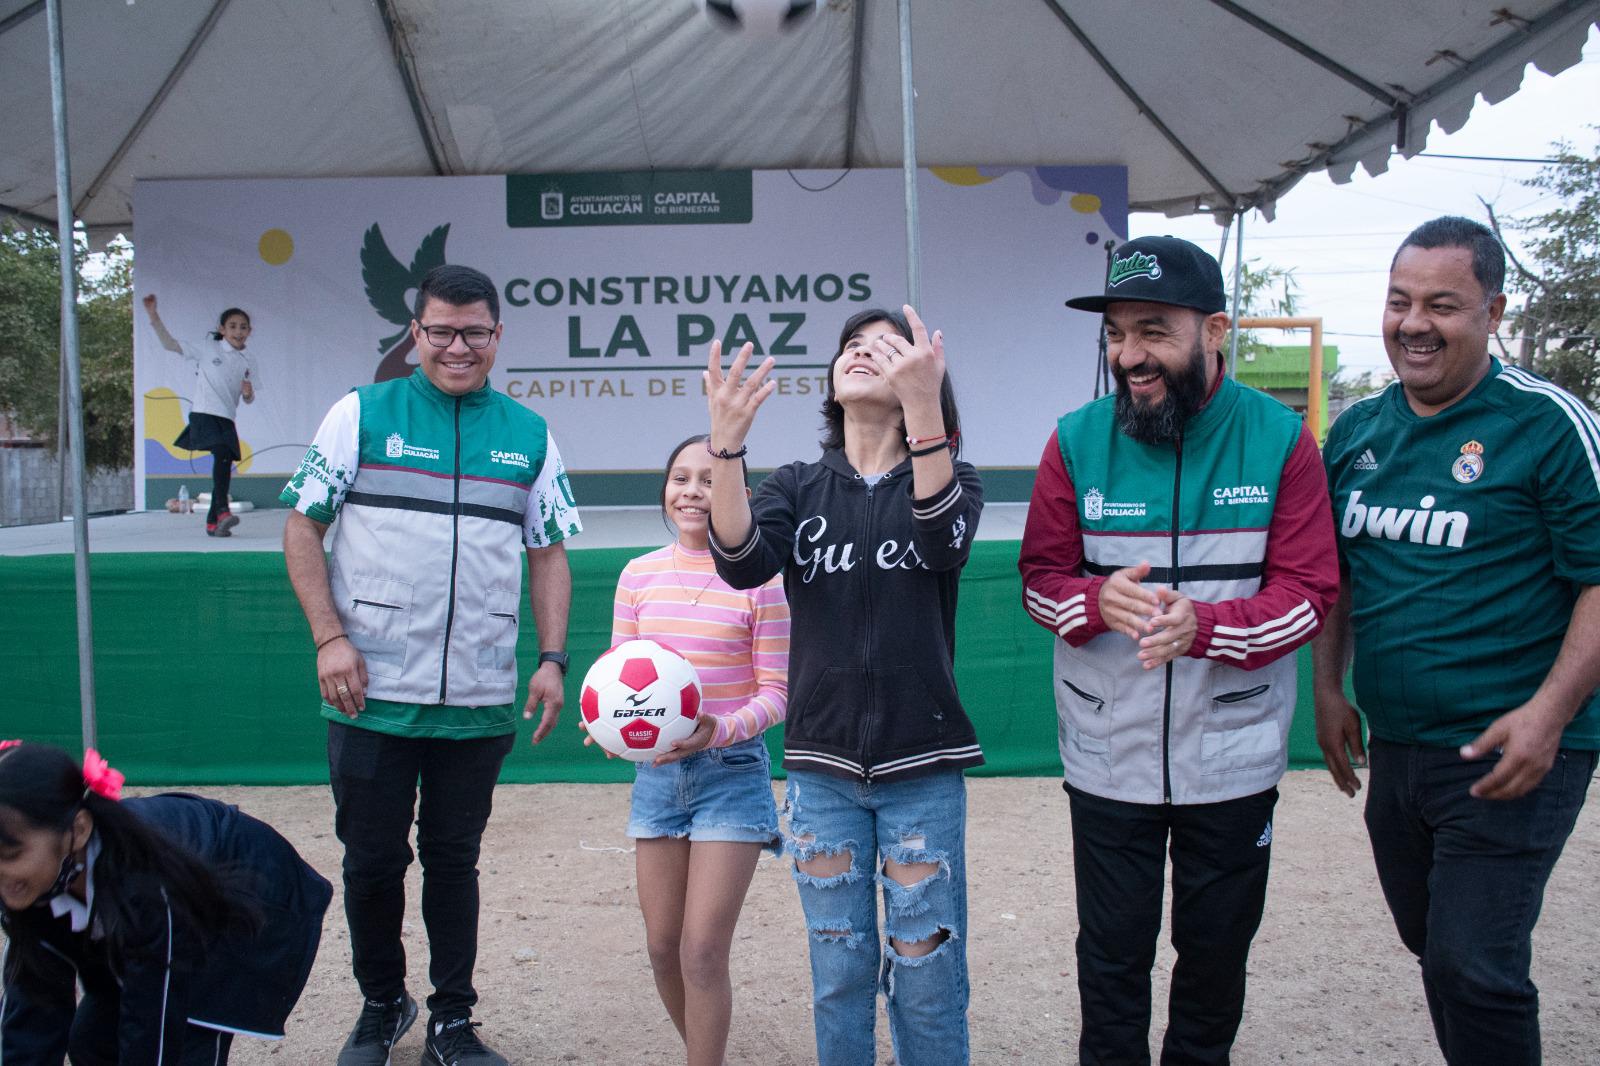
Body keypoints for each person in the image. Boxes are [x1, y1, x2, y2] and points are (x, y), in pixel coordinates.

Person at [1018, 235, 1339, 1065]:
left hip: (1232, 756)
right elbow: (1037, 583)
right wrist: (1094, 600)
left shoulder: (1281, 441)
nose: (1130, 355)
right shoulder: (1074, 439)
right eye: (1117, 333)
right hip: (1107, 754)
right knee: (1111, 958)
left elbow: (1309, 597)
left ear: (1216, 330)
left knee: (1215, 959)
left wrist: (1208, 627)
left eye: (1153, 331)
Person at [1313, 216, 1600, 1066]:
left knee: (1475, 963)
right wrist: (1329, 690)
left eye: (1443, 304)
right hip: (1401, 746)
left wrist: (1548, 714)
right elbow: (1340, 574)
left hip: (1513, 746)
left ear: (1494, 311)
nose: (1413, 323)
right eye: (1400, 301)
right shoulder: (1359, 432)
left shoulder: (1549, 424)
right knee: (1433, 942)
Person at [281, 263, 581, 1066]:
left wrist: (552, 659)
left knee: (455, 861)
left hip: (478, 697)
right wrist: (328, 638)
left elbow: (548, 555)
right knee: (372, 860)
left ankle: (453, 1019)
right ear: (415, 334)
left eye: (474, 332)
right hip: (369, 691)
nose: (457, 346)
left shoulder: (528, 434)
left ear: (497, 336)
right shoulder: (360, 413)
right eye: (441, 331)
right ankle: (384, 1005)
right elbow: (302, 530)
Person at [706, 305, 984, 1066]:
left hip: (921, 768)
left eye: (888, 349)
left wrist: (924, 407)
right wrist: (725, 445)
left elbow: (941, 537)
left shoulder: (952, 478)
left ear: (920, 378)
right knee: (840, 973)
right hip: (821, 772)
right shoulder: (797, 484)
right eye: (853, 346)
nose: (864, 354)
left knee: (927, 975)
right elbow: (740, 563)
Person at [599, 433, 789, 1066]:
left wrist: (719, 731)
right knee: (661, 945)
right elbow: (616, 673)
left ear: (736, 493)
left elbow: (778, 693)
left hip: (731, 773)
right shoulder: (638, 575)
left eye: (710, 480)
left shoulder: (763, 581)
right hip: (656, 776)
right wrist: (609, 726)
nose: (693, 491)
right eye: (681, 478)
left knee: (702, 948)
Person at [0, 741, 332, 1064]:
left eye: (12, 855)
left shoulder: (144, 884)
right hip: (156, 926)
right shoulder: (28, 884)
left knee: (183, 1035)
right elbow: (33, 1003)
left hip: (251, 904)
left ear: (79, 830)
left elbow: (153, 1021)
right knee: (93, 1041)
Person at [142, 294, 261, 537]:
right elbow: (170, 344)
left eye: (243, 327)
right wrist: (154, 316)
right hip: (205, 413)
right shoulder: (208, 347)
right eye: (232, 326)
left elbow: (248, 398)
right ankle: (223, 510)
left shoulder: (248, 359)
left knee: (225, 462)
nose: (238, 331)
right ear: (222, 329)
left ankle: (213, 521)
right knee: (221, 453)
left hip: (227, 416)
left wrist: (248, 394)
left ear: (250, 331)